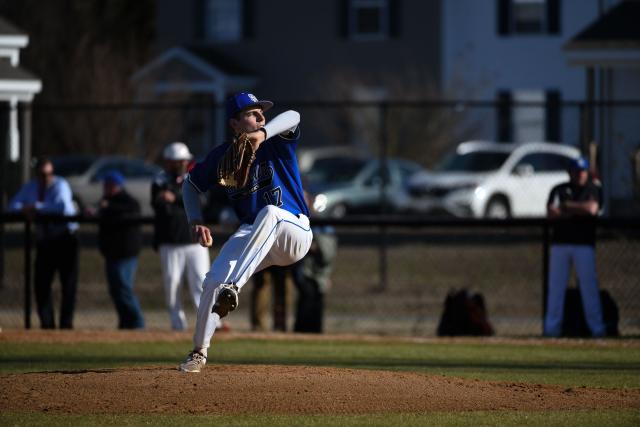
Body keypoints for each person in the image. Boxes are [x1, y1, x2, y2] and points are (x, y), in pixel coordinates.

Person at [178, 92, 313, 372]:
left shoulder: (274, 140)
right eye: (252, 113)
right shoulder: (222, 156)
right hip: (255, 235)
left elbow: (294, 117)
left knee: (271, 213)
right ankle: (198, 352)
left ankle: (234, 288)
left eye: (261, 111)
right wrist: (195, 220)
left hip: (294, 231)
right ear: (234, 124)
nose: (260, 116)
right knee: (212, 280)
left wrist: (263, 133)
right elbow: (190, 185)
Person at [8, 157, 79, 329]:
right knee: (41, 285)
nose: (47, 177)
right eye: (43, 174)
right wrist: (27, 208)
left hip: (65, 239)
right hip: (45, 241)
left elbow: (61, 207)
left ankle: (66, 326)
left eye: (50, 173)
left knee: (68, 286)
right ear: (37, 174)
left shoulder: (60, 185)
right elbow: (12, 205)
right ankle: (47, 326)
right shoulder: (31, 187)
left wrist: (35, 207)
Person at [544, 156, 606, 338]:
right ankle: (551, 330)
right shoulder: (559, 189)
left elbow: (591, 209)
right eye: (576, 171)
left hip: (584, 245)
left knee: (589, 287)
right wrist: (576, 211)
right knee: (556, 288)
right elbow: (551, 212)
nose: (579, 175)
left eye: (582, 171)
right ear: (569, 172)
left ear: (586, 172)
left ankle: (597, 329)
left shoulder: (592, 189)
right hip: (560, 245)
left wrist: (567, 207)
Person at [151, 142, 211, 330]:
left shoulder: (194, 177)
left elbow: (202, 201)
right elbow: (158, 203)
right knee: (172, 283)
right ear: (169, 162)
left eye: (183, 161)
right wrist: (174, 199)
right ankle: (177, 323)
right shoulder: (160, 180)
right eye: (177, 161)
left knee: (202, 282)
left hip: (194, 241)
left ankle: (209, 323)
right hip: (170, 241)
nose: (181, 164)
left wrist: (175, 197)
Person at [96, 171, 145, 329]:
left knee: (124, 288)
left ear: (116, 186)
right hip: (111, 252)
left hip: (125, 253)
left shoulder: (128, 201)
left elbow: (130, 211)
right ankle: (125, 323)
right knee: (115, 290)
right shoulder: (105, 202)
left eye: (109, 185)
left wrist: (107, 207)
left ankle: (137, 323)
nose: (105, 188)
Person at [292, 191, 338, 333]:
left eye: (305, 199)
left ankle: (315, 331)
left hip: (319, 272)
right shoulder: (293, 219)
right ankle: (301, 331)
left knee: (316, 302)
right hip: (303, 270)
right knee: (306, 300)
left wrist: (316, 248)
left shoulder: (321, 222)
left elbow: (328, 250)